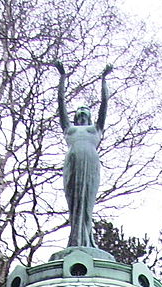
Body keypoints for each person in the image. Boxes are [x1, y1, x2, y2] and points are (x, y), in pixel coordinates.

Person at [53, 61, 112, 249]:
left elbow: (104, 104)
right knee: (74, 202)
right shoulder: (69, 129)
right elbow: (61, 103)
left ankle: (86, 240)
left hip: (90, 164)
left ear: (89, 116)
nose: (82, 113)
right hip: (73, 164)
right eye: (79, 112)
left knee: (87, 202)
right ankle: (75, 240)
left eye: (85, 111)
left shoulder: (96, 129)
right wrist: (62, 78)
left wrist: (103, 79)